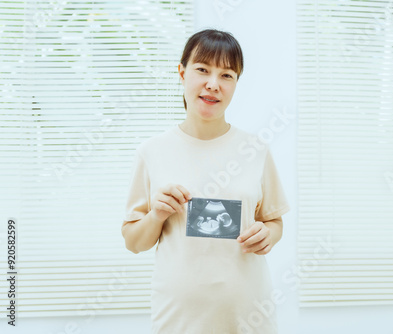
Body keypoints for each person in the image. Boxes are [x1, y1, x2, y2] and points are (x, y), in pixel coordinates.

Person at [121, 28, 290, 334]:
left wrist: (269, 234)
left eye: (227, 75)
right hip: (179, 319)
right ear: (182, 72)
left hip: (248, 314)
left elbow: (274, 221)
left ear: (236, 84)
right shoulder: (152, 152)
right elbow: (133, 242)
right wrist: (157, 215)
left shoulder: (256, 150)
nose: (213, 84)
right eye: (202, 70)